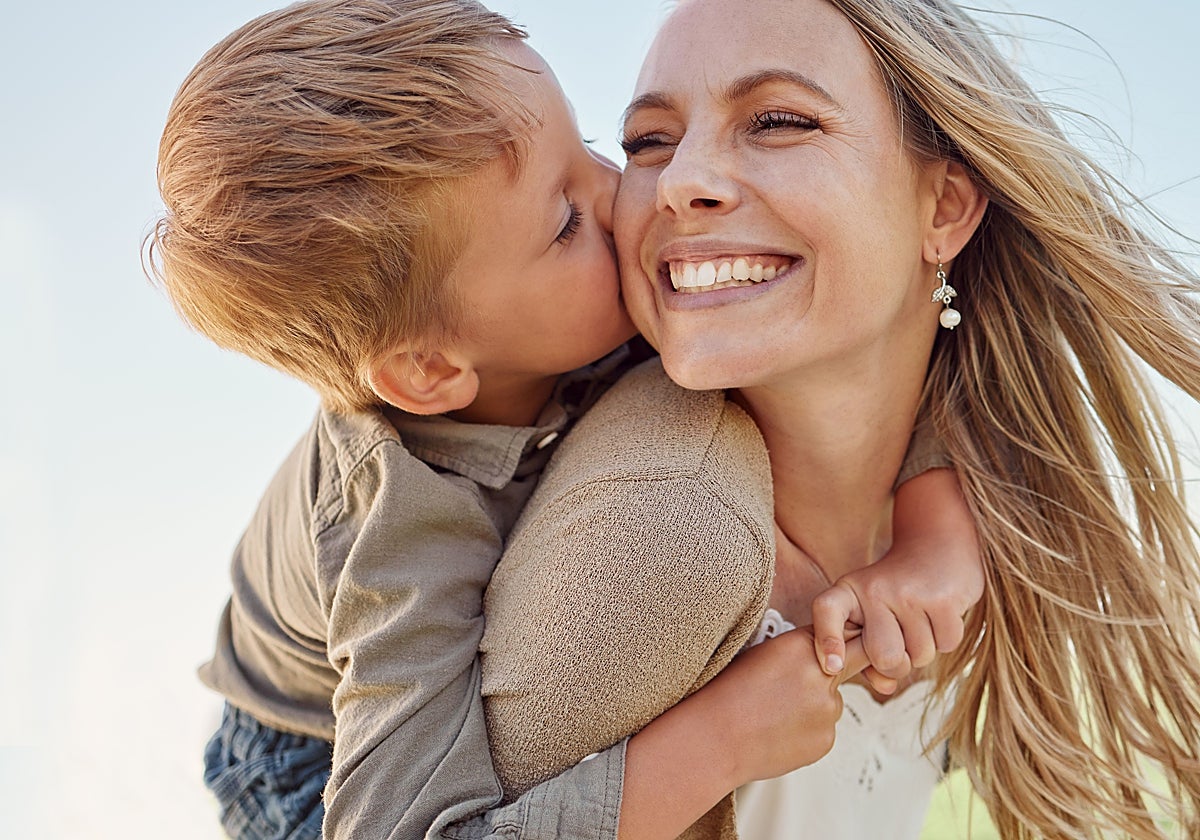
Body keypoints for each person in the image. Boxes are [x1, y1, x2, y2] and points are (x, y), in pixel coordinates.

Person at [147, 1, 984, 838]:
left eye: (596, 150)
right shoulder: (400, 516)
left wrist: (935, 532)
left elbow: (874, 363)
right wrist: (715, 745)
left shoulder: (538, 316)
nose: (626, 200)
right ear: (432, 370)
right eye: (567, 220)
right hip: (305, 759)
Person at [476, 0, 1200, 838]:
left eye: (777, 121)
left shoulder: (979, 511)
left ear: (946, 209)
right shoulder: (653, 536)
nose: (678, 180)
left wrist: (949, 525)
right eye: (648, 141)